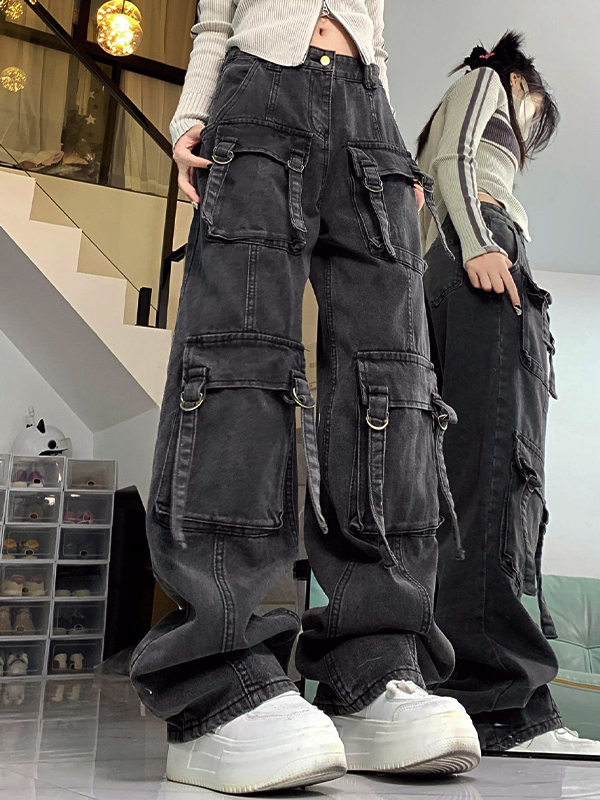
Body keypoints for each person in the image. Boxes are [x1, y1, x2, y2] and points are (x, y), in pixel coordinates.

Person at [130, 1, 482, 793]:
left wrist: (393, 142)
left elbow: (374, 39)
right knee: (240, 361)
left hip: (372, 120)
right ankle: (219, 680)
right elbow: (215, 21)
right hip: (256, 94)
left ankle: (374, 665)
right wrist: (191, 118)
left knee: (393, 382)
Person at [419, 30, 600, 757]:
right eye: (534, 115)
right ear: (521, 84)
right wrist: (481, 243)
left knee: (470, 483)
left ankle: (465, 693)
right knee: (495, 473)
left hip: (456, 267)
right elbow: (453, 160)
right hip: (484, 251)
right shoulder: (488, 80)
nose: (527, 132)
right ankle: (502, 707)